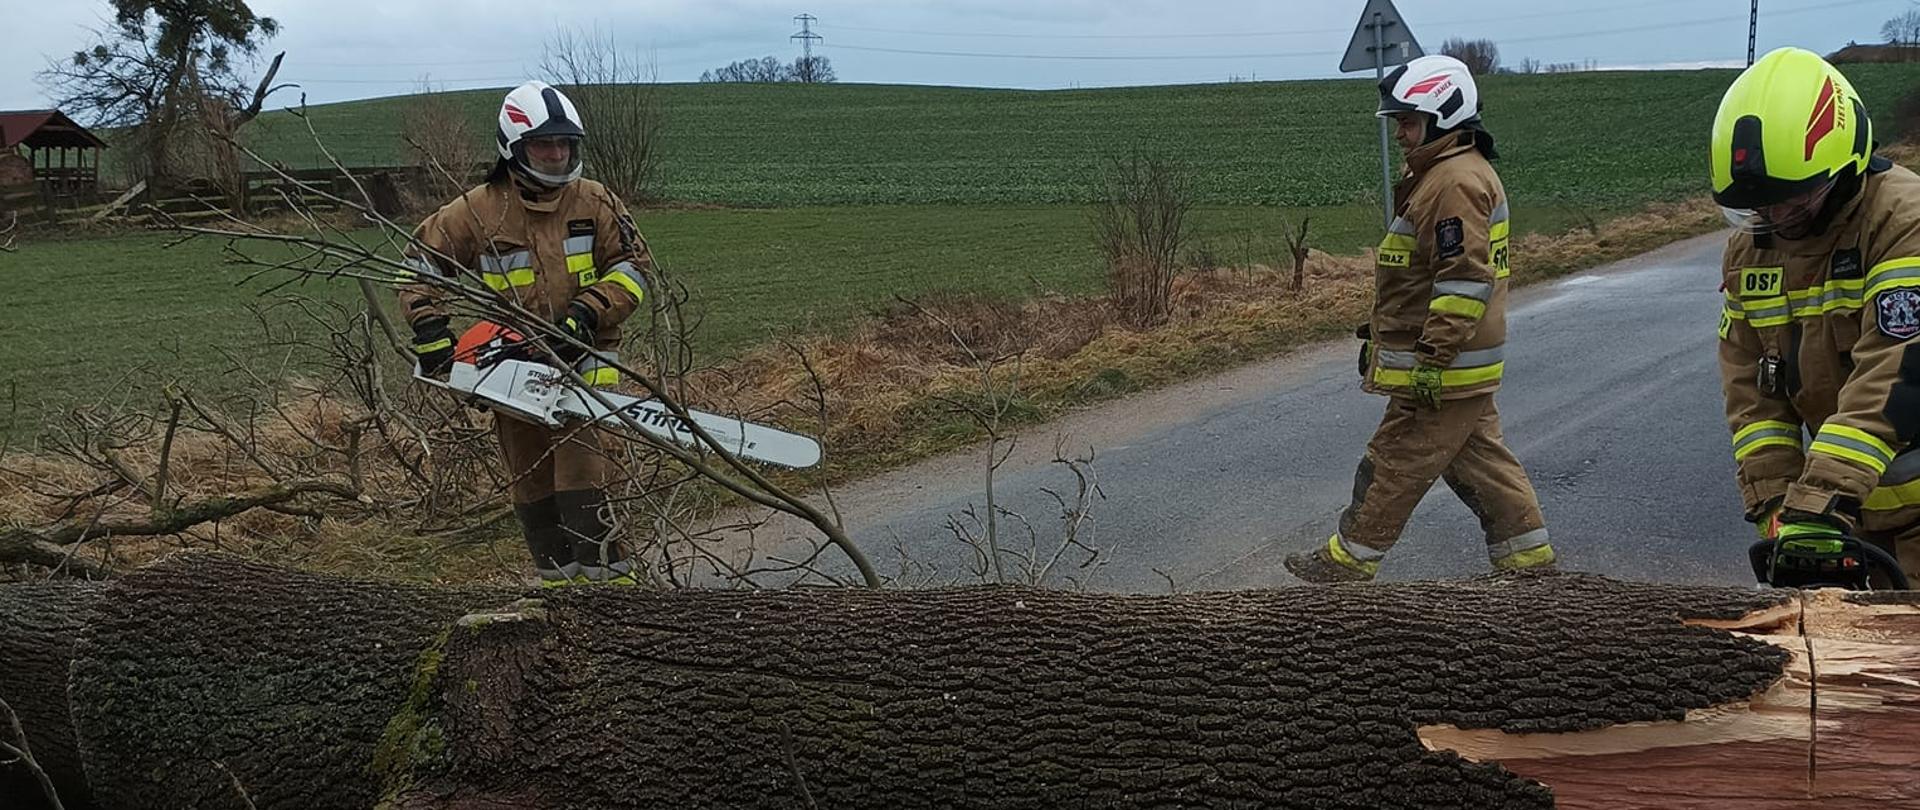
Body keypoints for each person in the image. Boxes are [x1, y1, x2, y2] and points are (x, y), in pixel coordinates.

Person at [1284, 55, 1554, 583]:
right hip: (1459, 360)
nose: (1401, 133)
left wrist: (1430, 356)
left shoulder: (1453, 182)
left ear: (1443, 116)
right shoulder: (1446, 174)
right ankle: (1529, 564)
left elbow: (1462, 280)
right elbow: (1419, 278)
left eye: (1408, 121)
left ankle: (1348, 562)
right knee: (1480, 462)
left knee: (1394, 461)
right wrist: (1384, 339)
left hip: (1447, 365)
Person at [395, 80, 654, 586]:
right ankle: (558, 593)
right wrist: (430, 331)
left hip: (586, 362)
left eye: (564, 144)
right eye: (543, 144)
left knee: (586, 476)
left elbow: (634, 269)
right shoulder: (477, 210)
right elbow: (418, 266)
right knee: (531, 480)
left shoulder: (595, 201)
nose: (557, 155)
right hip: (509, 368)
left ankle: (615, 595)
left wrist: (587, 312)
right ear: (514, 148)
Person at [1710, 47, 1920, 584]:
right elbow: (1752, 392)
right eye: (1762, 205)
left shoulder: (1903, 221)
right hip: (1850, 511)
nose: (1777, 219)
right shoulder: (1750, 250)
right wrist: (1776, 501)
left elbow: (1897, 373)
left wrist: (1821, 497)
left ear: (1845, 164)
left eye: (1794, 199)